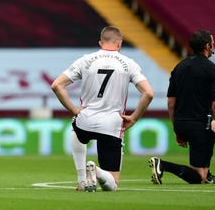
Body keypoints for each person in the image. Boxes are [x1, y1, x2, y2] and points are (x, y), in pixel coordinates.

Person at [51, 26, 153, 192]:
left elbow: (56, 85)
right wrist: (134, 117)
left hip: (86, 119)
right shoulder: (129, 64)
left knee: (76, 129)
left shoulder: (85, 60)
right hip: (111, 125)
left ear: (100, 42)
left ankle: (82, 178)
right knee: (112, 185)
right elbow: (148, 93)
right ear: (119, 43)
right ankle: (96, 171)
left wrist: (75, 110)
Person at [149, 29, 215, 185]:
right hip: (199, 125)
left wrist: (176, 128)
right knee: (199, 178)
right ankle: (163, 165)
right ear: (207, 46)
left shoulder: (179, 67)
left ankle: (206, 169)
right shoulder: (213, 70)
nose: (214, 45)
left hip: (181, 123)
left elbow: (171, 102)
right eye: (212, 42)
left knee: (213, 125)